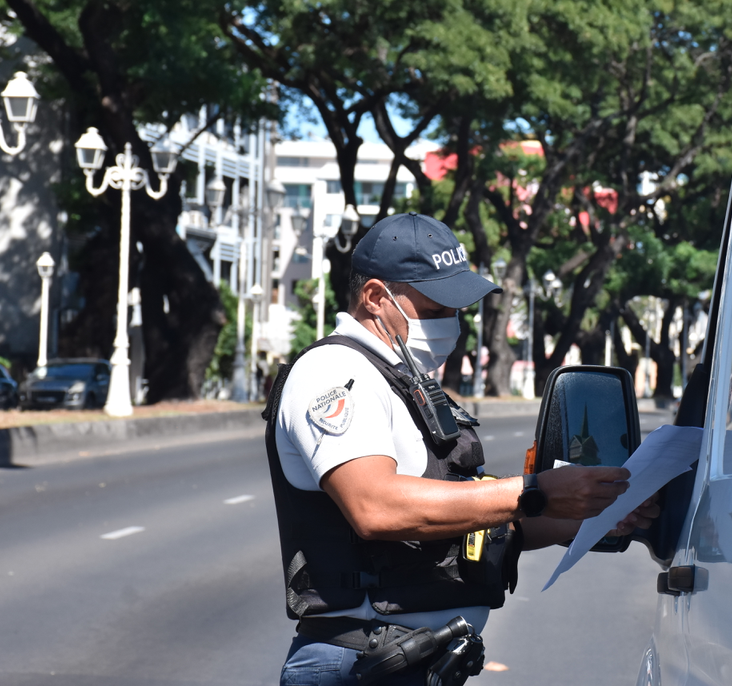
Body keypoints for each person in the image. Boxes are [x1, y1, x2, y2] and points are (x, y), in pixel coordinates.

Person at [263, 212, 658, 685]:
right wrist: (536, 491)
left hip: (416, 664)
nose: (451, 324)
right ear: (374, 297)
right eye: (435, 310)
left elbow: (471, 522)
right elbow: (376, 506)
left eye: (455, 311)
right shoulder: (334, 374)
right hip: (361, 665)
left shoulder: (408, 383)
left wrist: (591, 513)